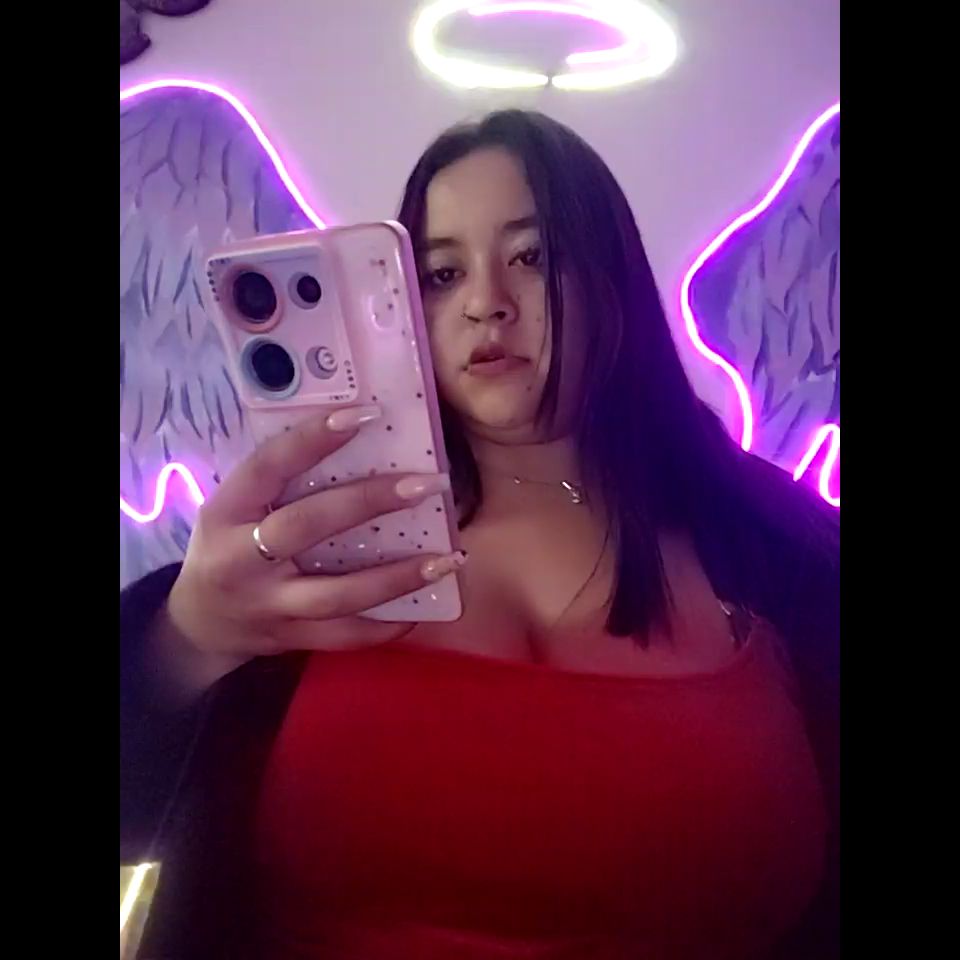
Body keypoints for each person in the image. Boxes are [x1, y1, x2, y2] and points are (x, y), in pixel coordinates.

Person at [120, 110, 839, 959]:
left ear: (610, 277)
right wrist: (183, 639)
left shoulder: (770, 543)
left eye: (531, 257)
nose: (485, 303)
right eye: (440, 273)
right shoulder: (314, 538)